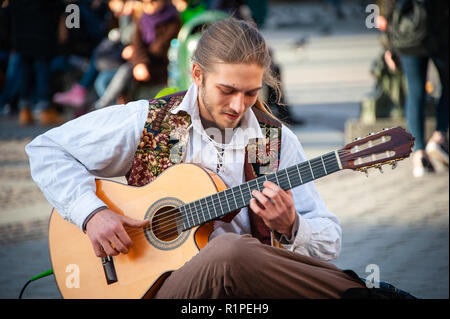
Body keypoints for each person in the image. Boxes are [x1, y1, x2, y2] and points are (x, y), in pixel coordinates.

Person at [26, 18, 374, 298]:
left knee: (237, 255)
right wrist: (92, 213)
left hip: (247, 298)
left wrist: (292, 225)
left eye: (251, 93)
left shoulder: (275, 141)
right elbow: (47, 149)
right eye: (227, 91)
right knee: (231, 252)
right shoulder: (149, 119)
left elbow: (329, 243)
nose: (239, 106)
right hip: (151, 288)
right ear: (197, 75)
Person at [377, 0, 449, 177]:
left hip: (408, 34)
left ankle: (419, 155)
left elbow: (387, 13)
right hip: (439, 31)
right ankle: (439, 136)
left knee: (415, 90)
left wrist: (389, 48)